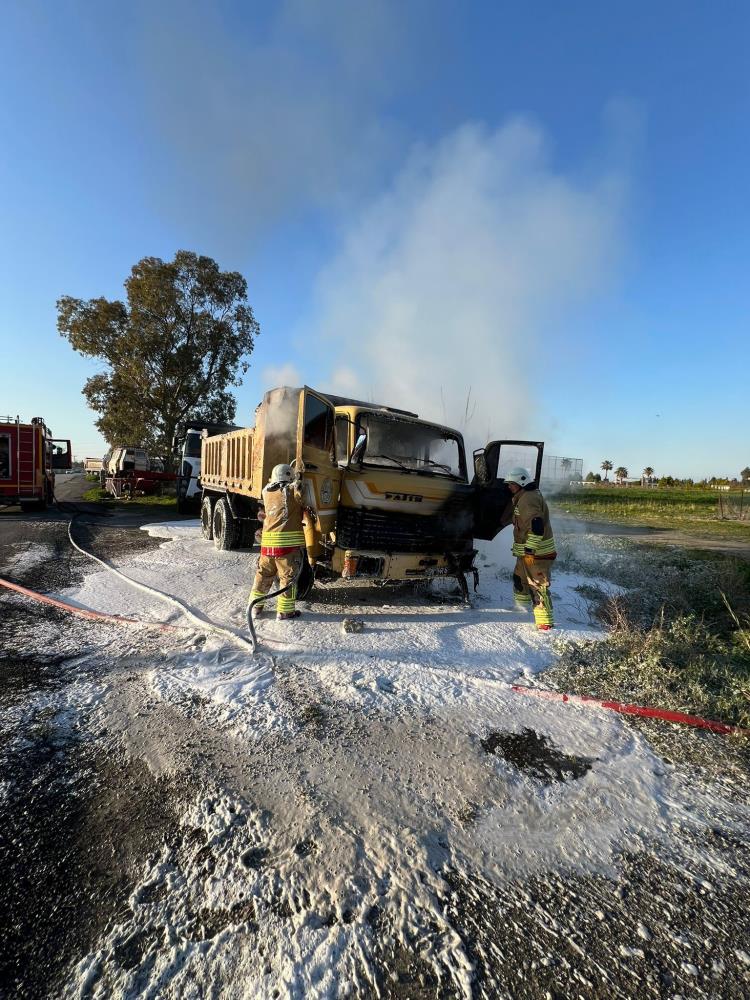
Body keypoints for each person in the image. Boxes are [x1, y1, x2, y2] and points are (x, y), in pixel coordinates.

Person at [249, 463, 306, 621]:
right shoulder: (291, 490)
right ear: (289, 476)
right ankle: (285, 612)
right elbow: (302, 494)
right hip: (287, 547)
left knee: (263, 575)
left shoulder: (266, 491)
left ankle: (255, 608)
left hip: (267, 546)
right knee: (288, 578)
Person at [505, 466, 556, 630]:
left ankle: (544, 623)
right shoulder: (525, 496)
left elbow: (537, 526)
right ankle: (521, 609)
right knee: (519, 580)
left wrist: (530, 551)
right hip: (527, 554)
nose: (509, 487)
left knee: (538, 586)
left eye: (511, 483)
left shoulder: (528, 498)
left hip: (536, 554)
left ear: (521, 482)